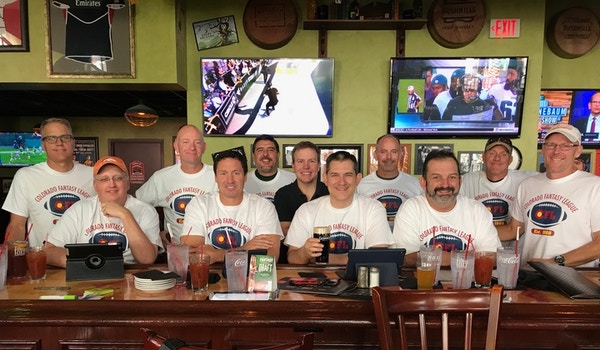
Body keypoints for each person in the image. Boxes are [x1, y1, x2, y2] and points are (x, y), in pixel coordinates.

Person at [498, 124, 600, 268]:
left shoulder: (594, 186)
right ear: (544, 149)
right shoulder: (528, 185)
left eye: (565, 145)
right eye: (551, 145)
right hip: (530, 276)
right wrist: (472, 230)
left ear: (577, 151)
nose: (556, 151)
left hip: (575, 280)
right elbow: (512, 230)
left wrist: (556, 262)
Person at [44, 156, 161, 267]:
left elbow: (146, 260)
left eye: (118, 178)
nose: (112, 184)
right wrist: (90, 263)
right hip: (88, 272)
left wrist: (125, 215)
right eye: (104, 179)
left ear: (127, 183)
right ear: (95, 185)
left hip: (130, 274)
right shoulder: (79, 210)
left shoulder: (146, 211)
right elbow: (49, 251)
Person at [393, 150, 501, 267]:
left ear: (460, 181)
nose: (445, 184)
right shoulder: (411, 209)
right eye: (436, 177)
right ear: (423, 183)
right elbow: (406, 258)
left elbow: (493, 257)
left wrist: (446, 258)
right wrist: (461, 259)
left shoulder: (477, 210)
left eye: (452, 177)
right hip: (423, 284)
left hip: (468, 284)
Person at [285, 151, 393, 265]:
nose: (342, 182)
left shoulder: (373, 208)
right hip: (317, 280)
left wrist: (315, 258)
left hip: (360, 280)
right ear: (325, 178)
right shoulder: (306, 210)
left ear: (358, 178)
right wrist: (304, 253)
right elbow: (292, 257)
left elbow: (378, 257)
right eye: (335, 175)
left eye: (348, 175)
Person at [2, 118, 95, 247]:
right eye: (51, 138)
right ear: (43, 145)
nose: (59, 143)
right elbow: (17, 225)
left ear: (74, 142)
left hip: (86, 259)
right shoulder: (25, 176)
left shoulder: (94, 175)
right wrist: (11, 261)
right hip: (43, 261)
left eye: (65, 137)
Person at [180, 150, 283, 263]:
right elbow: (191, 256)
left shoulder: (263, 206)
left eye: (236, 173)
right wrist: (244, 249)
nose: (230, 180)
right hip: (209, 275)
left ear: (245, 177)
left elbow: (269, 258)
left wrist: (217, 255)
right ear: (215, 177)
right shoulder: (199, 204)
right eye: (223, 173)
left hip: (249, 276)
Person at [136, 125, 216, 244]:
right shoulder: (161, 178)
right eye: (185, 142)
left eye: (197, 142)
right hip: (177, 251)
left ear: (204, 147)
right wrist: (154, 233)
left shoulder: (219, 175)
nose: (192, 147)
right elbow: (136, 206)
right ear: (176, 146)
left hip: (212, 251)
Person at [460, 136, 537, 227]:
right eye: (492, 153)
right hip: (478, 240)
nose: (497, 158)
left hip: (514, 240)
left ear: (510, 160)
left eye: (503, 154)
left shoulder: (527, 180)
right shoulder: (467, 181)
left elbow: (554, 178)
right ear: (483, 157)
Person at [273, 141, 329, 264]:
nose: (306, 167)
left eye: (311, 161)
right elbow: (284, 232)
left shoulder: (330, 192)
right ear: (293, 165)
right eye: (300, 161)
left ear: (319, 165)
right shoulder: (282, 195)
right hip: (289, 263)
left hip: (325, 262)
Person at [357, 134, 422, 230]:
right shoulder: (361, 186)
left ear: (401, 154)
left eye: (394, 152)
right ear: (375, 155)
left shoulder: (416, 185)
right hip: (373, 243)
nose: (389, 157)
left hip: (407, 243)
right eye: (383, 151)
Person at [245, 134, 295, 202]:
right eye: (260, 150)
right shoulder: (242, 181)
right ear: (253, 155)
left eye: (270, 150)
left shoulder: (294, 180)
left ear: (278, 155)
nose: (265, 154)